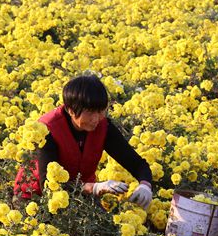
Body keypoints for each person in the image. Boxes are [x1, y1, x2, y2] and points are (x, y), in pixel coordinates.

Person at [14, 75, 154, 209]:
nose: (96, 118)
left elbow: (136, 163)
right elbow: (49, 186)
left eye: (100, 111)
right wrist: (94, 187)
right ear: (70, 110)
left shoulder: (103, 126)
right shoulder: (47, 130)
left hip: (82, 192)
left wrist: (145, 185)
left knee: (104, 229)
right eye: (90, 112)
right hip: (37, 197)